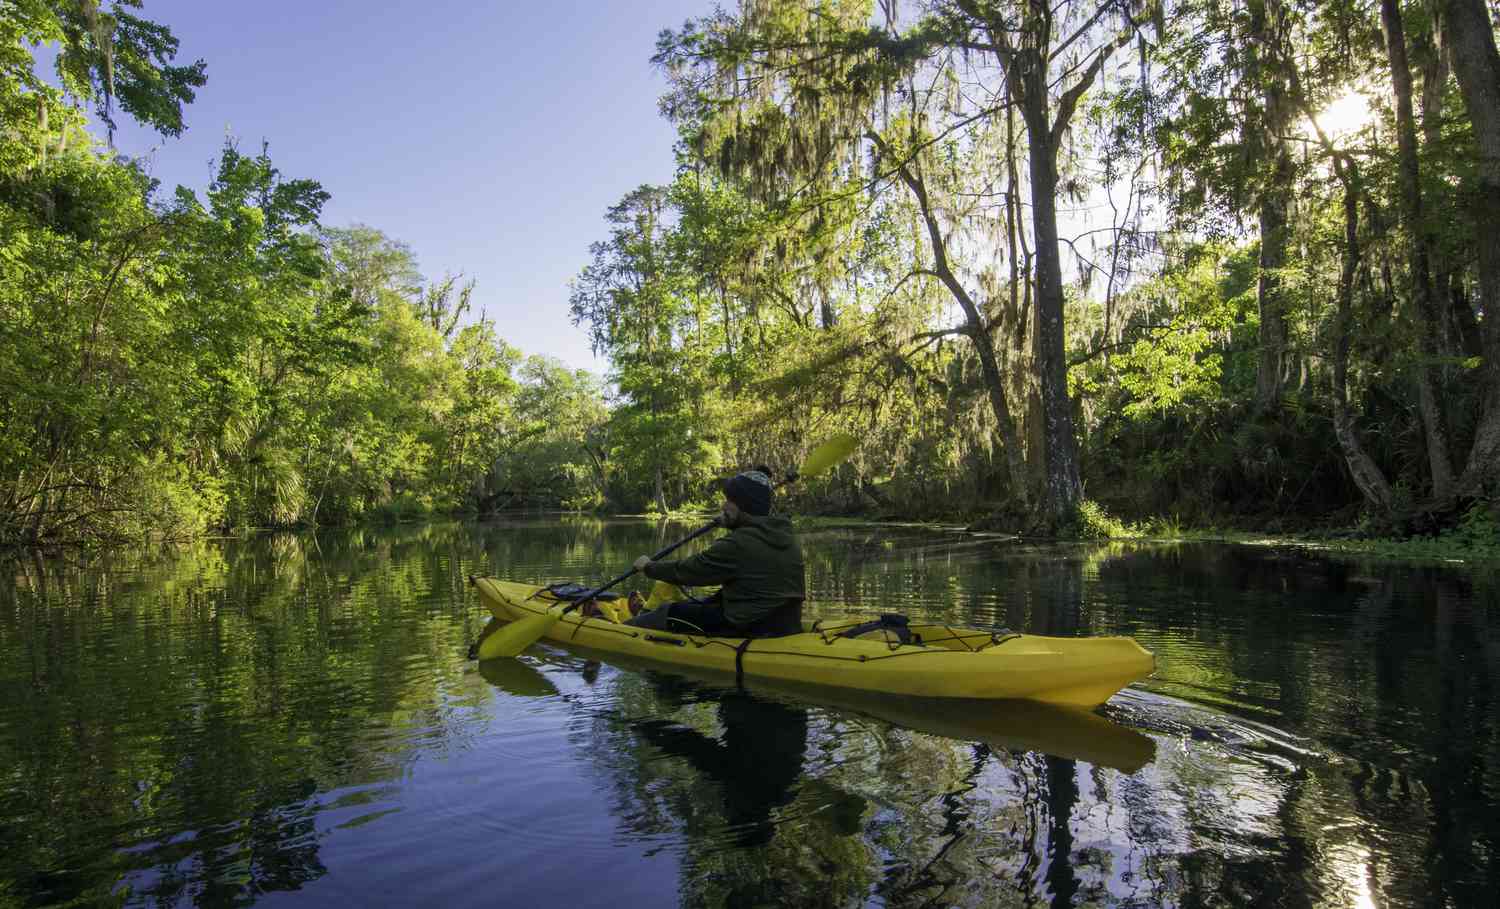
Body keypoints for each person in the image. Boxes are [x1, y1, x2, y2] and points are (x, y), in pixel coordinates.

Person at [625, 469, 805, 637]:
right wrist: (734, 522)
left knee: (670, 612)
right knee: (707, 601)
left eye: (729, 501)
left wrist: (648, 567)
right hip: (784, 624)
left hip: (747, 626)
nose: (723, 505)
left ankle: (624, 631)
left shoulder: (736, 544)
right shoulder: (786, 536)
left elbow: (689, 572)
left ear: (743, 506)